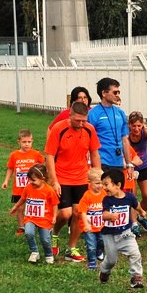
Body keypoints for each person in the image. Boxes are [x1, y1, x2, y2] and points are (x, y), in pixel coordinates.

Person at [46, 102, 101, 262]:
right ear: (70, 115)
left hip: (82, 177)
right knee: (65, 214)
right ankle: (54, 234)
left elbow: (95, 153)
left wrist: (98, 177)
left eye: (84, 120)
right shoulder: (59, 129)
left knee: (79, 213)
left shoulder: (89, 130)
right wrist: (54, 181)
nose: (81, 124)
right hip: (62, 177)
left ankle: (71, 248)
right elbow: (49, 156)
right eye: (78, 120)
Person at [99, 169, 145, 288]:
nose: (104, 187)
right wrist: (110, 215)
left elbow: (136, 205)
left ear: (118, 185)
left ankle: (136, 277)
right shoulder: (107, 200)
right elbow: (103, 215)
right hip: (109, 234)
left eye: (106, 184)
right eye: (103, 184)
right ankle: (104, 271)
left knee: (135, 253)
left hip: (126, 233)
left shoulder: (129, 197)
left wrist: (142, 211)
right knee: (111, 260)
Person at [10, 164, 59, 264]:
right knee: (28, 233)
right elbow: (23, 198)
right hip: (30, 217)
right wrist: (15, 206)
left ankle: (49, 254)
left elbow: (55, 204)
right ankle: (34, 251)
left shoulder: (49, 190)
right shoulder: (28, 188)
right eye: (29, 179)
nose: (31, 182)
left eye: (33, 180)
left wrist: (54, 216)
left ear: (43, 178)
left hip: (45, 219)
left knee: (45, 239)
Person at [88, 77, 135, 175]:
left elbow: (125, 140)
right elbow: (88, 139)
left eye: (118, 92)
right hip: (101, 161)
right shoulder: (93, 114)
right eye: (114, 92)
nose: (117, 95)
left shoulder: (120, 113)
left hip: (118, 162)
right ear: (104, 93)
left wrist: (129, 164)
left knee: (117, 190)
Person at [1, 129, 45, 235]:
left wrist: (42, 178)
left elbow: (43, 165)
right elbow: (10, 168)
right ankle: (22, 227)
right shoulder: (14, 155)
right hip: (19, 188)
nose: (26, 144)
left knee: (32, 206)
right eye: (24, 142)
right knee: (20, 207)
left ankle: (36, 224)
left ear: (32, 141)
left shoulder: (36, 154)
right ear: (19, 142)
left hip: (33, 187)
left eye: (29, 142)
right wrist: (6, 180)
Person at [127, 111, 147, 232]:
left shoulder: (146, 131)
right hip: (131, 167)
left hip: (144, 166)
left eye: (139, 126)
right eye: (134, 126)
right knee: (133, 196)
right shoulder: (126, 135)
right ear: (129, 125)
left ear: (143, 125)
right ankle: (134, 223)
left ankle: (140, 216)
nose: (136, 128)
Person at [78, 168, 106, 270]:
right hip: (90, 226)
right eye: (97, 183)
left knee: (102, 241)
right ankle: (92, 261)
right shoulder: (87, 196)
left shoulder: (104, 194)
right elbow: (82, 211)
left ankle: (100, 250)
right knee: (91, 245)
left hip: (101, 224)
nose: (100, 186)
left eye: (102, 183)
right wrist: (85, 224)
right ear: (89, 182)